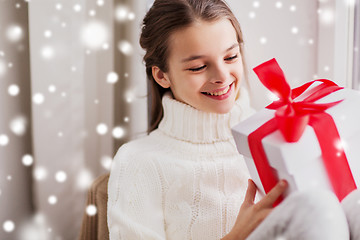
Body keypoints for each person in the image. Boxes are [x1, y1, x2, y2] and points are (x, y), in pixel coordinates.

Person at [107, 0, 358, 239]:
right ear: (162, 76)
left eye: (230, 57)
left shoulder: (272, 134)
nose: (222, 76)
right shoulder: (138, 162)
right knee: (317, 206)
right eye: (197, 67)